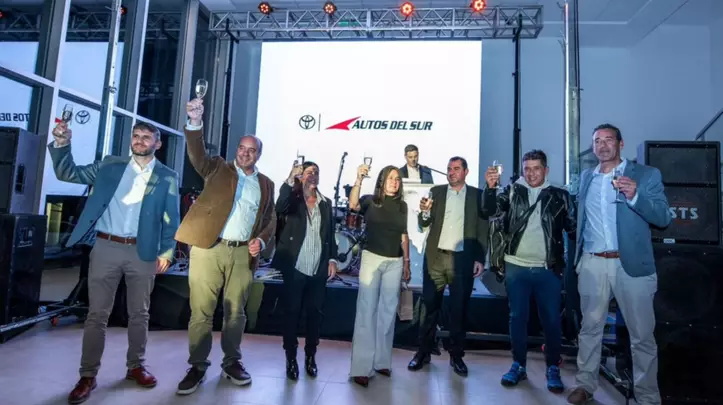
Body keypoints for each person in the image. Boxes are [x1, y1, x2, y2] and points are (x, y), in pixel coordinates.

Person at [47, 121, 180, 404]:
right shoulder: (110, 165)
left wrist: (167, 251)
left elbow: (171, 219)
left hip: (143, 252)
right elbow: (68, 172)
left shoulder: (167, 176)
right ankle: (87, 375)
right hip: (106, 247)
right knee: (97, 314)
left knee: (139, 313)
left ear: (157, 144)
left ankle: (136, 367)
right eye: (136, 136)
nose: (139, 141)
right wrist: (61, 143)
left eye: (146, 137)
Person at [175, 97, 276, 395]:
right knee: (201, 312)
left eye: (251, 150)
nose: (245, 153)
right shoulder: (217, 168)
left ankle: (232, 362)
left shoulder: (266, 183)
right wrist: (195, 122)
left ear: (258, 154)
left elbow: (270, 218)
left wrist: (261, 240)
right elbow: (196, 153)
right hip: (209, 249)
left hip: (243, 254)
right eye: (242, 148)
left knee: (236, 313)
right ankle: (197, 366)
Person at [567, 124, 670, 405]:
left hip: (631, 266)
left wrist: (635, 195)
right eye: (597, 141)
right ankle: (585, 385)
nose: (602, 145)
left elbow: (663, 217)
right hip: (592, 263)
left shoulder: (646, 175)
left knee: (641, 336)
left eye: (608, 140)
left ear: (621, 144)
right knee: (589, 330)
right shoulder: (586, 177)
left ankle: (647, 397)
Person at [481, 149, 576, 393]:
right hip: (516, 266)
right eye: (527, 169)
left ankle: (552, 368)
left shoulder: (561, 196)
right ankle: (518, 365)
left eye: (536, 168)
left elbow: (574, 230)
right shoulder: (511, 191)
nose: (531, 173)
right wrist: (489, 189)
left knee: (552, 321)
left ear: (546, 170)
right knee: (517, 318)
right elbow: (488, 211)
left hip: (548, 269)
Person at [407, 156, 486, 376]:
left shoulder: (477, 195)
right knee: (429, 308)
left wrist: (480, 258)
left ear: (466, 172)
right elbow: (423, 224)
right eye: (449, 168)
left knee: (459, 310)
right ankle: (423, 352)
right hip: (436, 258)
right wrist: (424, 212)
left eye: (456, 169)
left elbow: (482, 228)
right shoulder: (436, 192)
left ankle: (456, 356)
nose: (451, 172)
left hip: (462, 260)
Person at [272, 161, 339, 381]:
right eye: (308, 172)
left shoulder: (325, 203)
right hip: (295, 266)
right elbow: (279, 206)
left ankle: (311, 356)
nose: (313, 175)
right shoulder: (293, 200)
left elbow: (330, 234)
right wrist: (290, 178)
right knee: (291, 313)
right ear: (301, 176)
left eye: (316, 172)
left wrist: (332, 259)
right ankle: (290, 358)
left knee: (314, 315)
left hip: (318, 267)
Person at [348, 164, 411, 387]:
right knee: (367, 311)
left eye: (398, 179)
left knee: (388, 312)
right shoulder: (370, 201)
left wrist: (407, 262)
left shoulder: (402, 206)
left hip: (395, 262)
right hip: (371, 259)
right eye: (390, 178)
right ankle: (361, 368)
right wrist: (358, 178)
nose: (394, 182)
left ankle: (382, 361)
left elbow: (404, 234)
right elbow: (353, 205)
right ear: (382, 181)